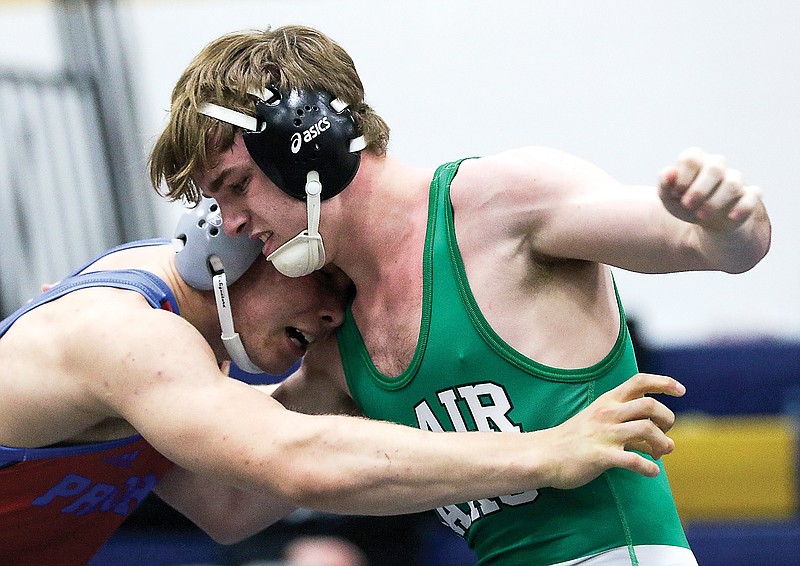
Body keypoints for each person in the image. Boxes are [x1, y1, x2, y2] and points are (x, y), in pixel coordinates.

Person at [148, 25, 772, 566]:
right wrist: (110, 375)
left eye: (235, 186)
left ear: (305, 146)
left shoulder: (500, 205)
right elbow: (225, 504)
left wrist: (728, 221)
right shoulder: (340, 340)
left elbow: (699, 244)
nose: (230, 222)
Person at [0, 199, 685, 566]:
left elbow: (226, 507)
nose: (333, 312)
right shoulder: (127, 334)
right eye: (320, 277)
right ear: (237, 246)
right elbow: (294, 460)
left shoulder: (180, 351)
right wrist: (547, 450)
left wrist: (330, 387)